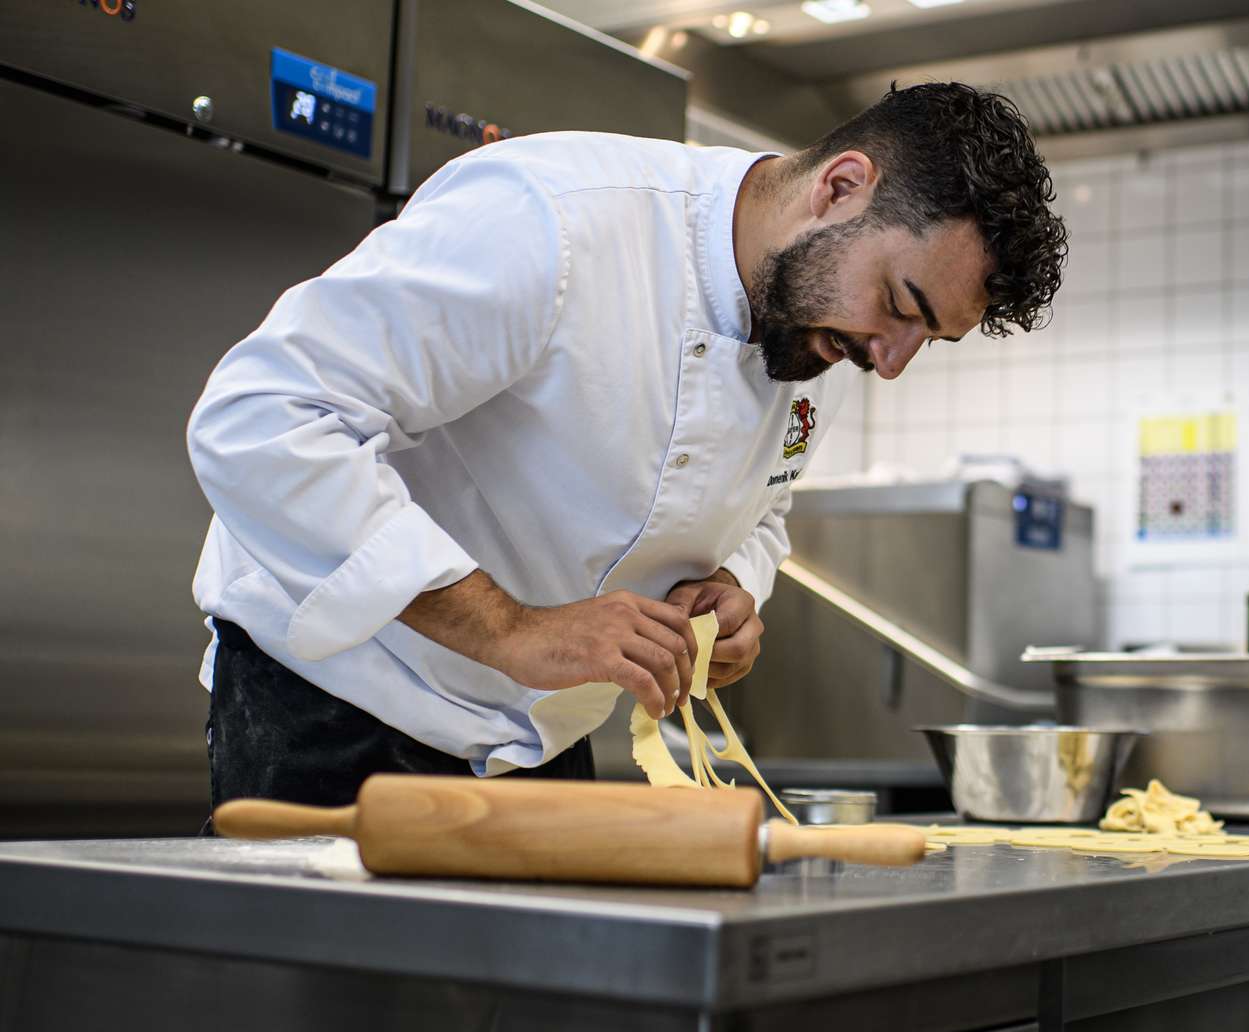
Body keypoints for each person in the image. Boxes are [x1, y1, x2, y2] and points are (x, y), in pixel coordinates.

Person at [185, 82, 1068, 809]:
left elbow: (766, 507)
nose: (891, 361)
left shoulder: (822, 332)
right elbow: (264, 418)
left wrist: (730, 587)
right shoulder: (556, 223)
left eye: (929, 340)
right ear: (839, 188)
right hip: (337, 712)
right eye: (902, 305)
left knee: (524, 1027)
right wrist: (511, 628)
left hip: (542, 740)